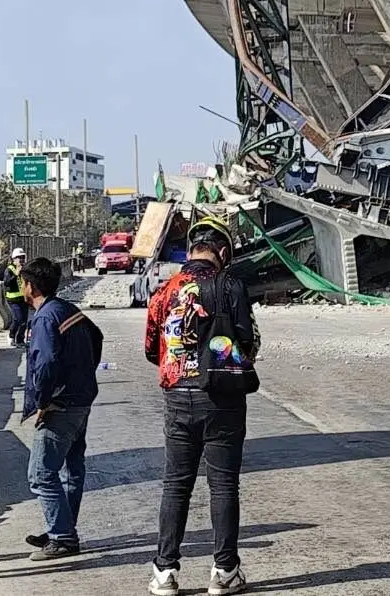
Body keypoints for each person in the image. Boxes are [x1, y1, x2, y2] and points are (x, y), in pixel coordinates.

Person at [144, 223, 258, 596]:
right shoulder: (230, 285)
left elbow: (150, 348)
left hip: (177, 397)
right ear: (223, 253)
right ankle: (224, 572)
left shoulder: (164, 290)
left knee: (176, 485)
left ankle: (165, 573)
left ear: (191, 250)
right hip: (222, 398)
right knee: (223, 484)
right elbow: (248, 342)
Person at [22, 256, 102, 562]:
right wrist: (82, 376)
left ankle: (62, 536)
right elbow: (97, 338)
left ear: (29, 286)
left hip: (61, 405)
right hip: (81, 399)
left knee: (41, 474)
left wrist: (43, 402)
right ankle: (61, 526)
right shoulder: (69, 310)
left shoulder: (44, 318)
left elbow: (44, 364)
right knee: (71, 470)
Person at [2, 247, 29, 348]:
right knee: (19, 319)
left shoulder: (25, 269)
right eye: (19, 258)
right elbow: (6, 282)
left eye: (23, 257)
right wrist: (16, 274)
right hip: (13, 299)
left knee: (23, 321)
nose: (21, 260)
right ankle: (12, 336)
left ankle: (20, 340)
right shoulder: (9, 269)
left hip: (23, 298)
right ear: (14, 259)